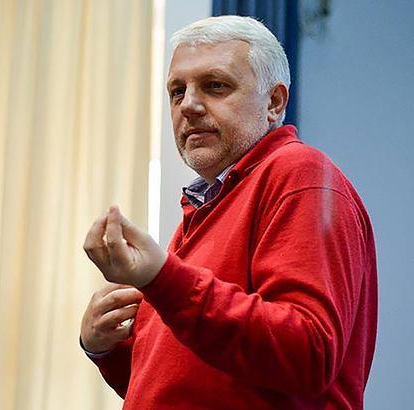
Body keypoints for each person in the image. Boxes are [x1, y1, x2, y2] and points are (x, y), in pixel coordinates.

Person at [80, 15, 377, 409]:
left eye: (215, 86)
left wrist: (162, 278)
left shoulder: (298, 174)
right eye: (177, 91)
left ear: (274, 102)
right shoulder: (207, 203)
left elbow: (308, 356)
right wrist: (104, 348)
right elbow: (188, 385)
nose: (188, 106)